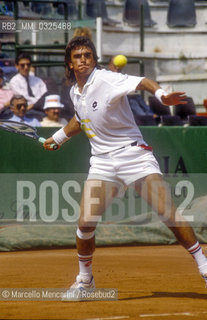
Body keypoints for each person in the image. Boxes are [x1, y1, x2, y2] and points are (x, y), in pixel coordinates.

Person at [44, 36, 207, 297]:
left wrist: (162, 95)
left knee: (168, 214)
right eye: (78, 56)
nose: (83, 59)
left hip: (133, 155)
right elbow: (81, 118)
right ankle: (85, 282)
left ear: (94, 59)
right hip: (102, 163)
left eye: (88, 55)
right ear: (70, 64)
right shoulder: (76, 92)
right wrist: (60, 137)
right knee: (85, 223)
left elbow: (141, 81)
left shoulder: (107, 79)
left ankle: (204, 267)